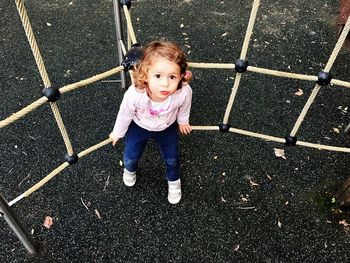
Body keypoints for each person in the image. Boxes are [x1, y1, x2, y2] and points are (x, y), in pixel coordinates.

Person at [110, 41, 193, 204]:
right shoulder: (135, 94)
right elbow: (125, 113)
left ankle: (174, 181)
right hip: (139, 126)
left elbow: (185, 106)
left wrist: (183, 121)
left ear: (181, 76)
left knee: (172, 158)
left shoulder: (182, 92)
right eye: (158, 76)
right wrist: (118, 132)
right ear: (146, 74)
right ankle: (130, 169)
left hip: (166, 128)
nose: (165, 83)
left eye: (172, 77)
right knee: (131, 155)